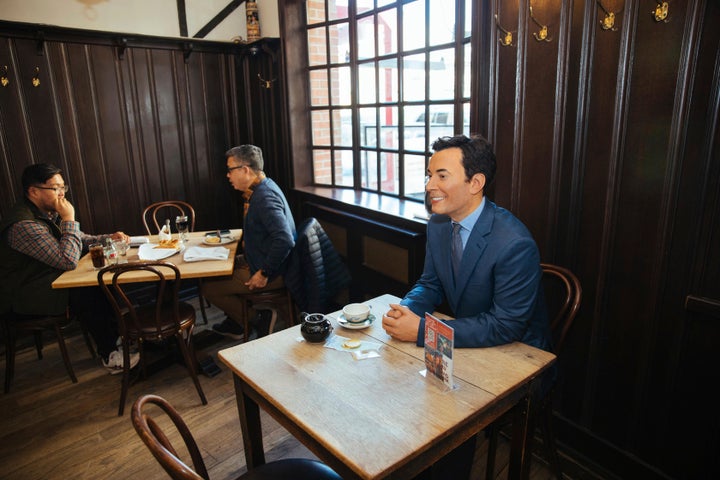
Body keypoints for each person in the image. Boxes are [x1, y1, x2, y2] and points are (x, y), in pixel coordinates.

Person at [382, 134, 551, 479]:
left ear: (476, 183)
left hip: (518, 357)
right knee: (403, 390)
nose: (430, 185)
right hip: (470, 339)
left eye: (441, 176)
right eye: (429, 175)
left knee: (446, 417)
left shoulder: (514, 242)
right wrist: (407, 309)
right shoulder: (439, 224)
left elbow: (507, 326)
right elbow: (430, 283)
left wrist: (423, 330)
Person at [0, 163, 139, 374]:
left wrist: (108, 238)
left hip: (45, 279)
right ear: (34, 191)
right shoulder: (23, 225)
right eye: (56, 188)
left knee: (101, 277)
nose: (62, 193)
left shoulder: (45, 212)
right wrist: (68, 218)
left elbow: (77, 240)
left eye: (63, 187)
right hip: (24, 293)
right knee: (84, 288)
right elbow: (67, 259)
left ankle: (118, 336)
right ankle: (109, 354)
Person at [203, 144, 296, 339]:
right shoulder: (262, 187)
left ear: (245, 169)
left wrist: (263, 273)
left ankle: (259, 317)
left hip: (272, 272)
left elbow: (285, 240)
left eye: (230, 170)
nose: (228, 175)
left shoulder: (264, 197)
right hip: (259, 260)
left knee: (210, 289)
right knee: (215, 268)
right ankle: (237, 321)